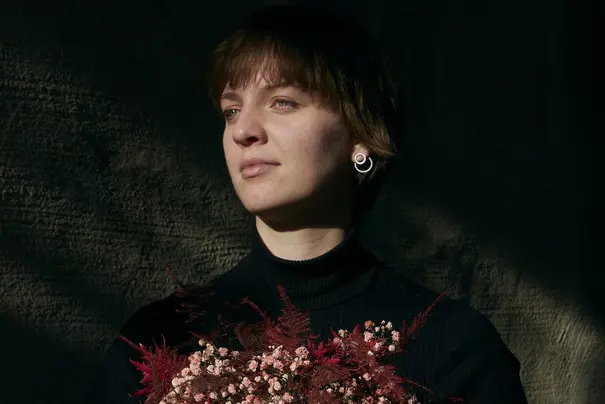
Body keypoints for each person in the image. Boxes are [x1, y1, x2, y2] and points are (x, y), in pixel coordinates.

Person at [85, 5, 528, 404]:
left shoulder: (452, 348)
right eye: (231, 110)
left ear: (360, 135)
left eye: (282, 102)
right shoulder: (157, 341)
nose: (243, 131)